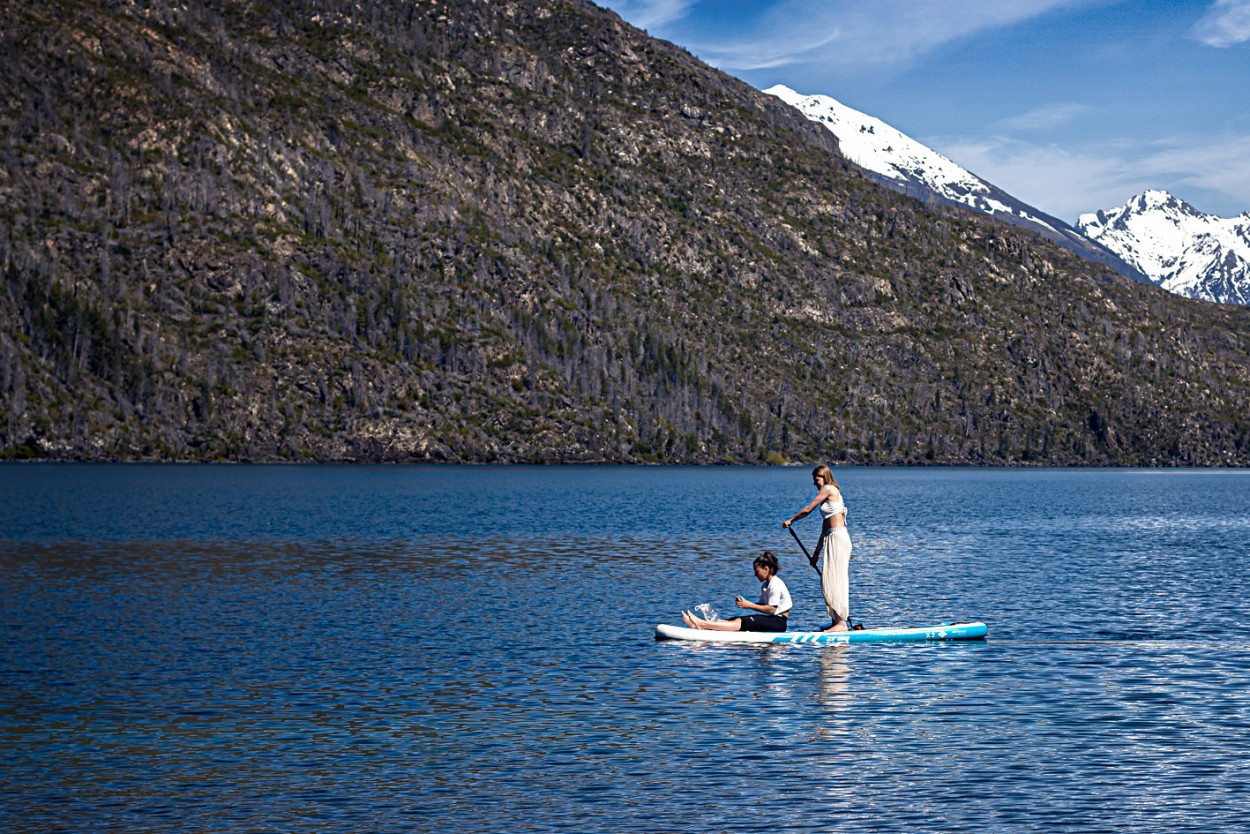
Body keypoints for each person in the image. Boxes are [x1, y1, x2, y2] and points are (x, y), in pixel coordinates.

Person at [783, 464, 852, 632]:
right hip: (831, 537)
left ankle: (841, 624)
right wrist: (815, 555)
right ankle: (836, 620)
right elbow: (824, 530)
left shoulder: (829, 489)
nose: (816, 484)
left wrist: (791, 520)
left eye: (817, 480)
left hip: (838, 538)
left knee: (835, 579)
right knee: (828, 580)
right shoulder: (829, 495)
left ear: (825, 477)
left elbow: (808, 509)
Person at [681, 551, 792, 632]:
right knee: (735, 619)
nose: (755, 574)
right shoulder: (765, 585)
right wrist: (746, 603)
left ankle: (702, 624)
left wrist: (749, 605)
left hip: (779, 622)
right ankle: (696, 625)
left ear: (766, 569)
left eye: (756, 571)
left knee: (743, 622)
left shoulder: (775, 584)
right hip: (772, 620)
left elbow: (772, 609)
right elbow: (762, 606)